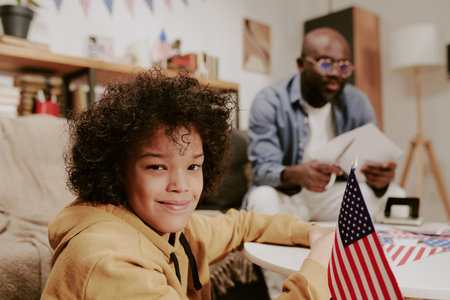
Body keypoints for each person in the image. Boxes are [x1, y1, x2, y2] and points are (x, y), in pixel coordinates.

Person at [41, 69, 334, 299]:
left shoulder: (172, 228)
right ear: (117, 170)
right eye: (157, 167)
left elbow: (240, 225)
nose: (181, 185)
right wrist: (319, 264)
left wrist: (314, 232)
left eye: (193, 166)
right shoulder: (111, 264)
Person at [245, 27, 405, 223]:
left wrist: (381, 179)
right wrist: (297, 174)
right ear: (301, 64)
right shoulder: (269, 101)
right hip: (290, 195)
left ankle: (376, 253)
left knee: (396, 195)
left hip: (333, 195)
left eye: (344, 66)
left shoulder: (357, 101)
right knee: (262, 199)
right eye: (326, 64)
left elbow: (374, 161)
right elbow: (262, 170)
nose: (336, 74)